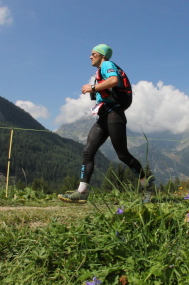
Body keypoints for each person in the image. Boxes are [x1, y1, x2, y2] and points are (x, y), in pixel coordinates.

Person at [58, 44, 152, 203]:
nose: (90, 57)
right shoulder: (100, 70)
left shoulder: (107, 64)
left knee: (123, 155)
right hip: (103, 116)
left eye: (93, 54)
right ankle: (81, 192)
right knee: (87, 152)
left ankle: (148, 187)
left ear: (102, 55)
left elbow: (114, 80)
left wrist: (92, 87)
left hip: (114, 115)